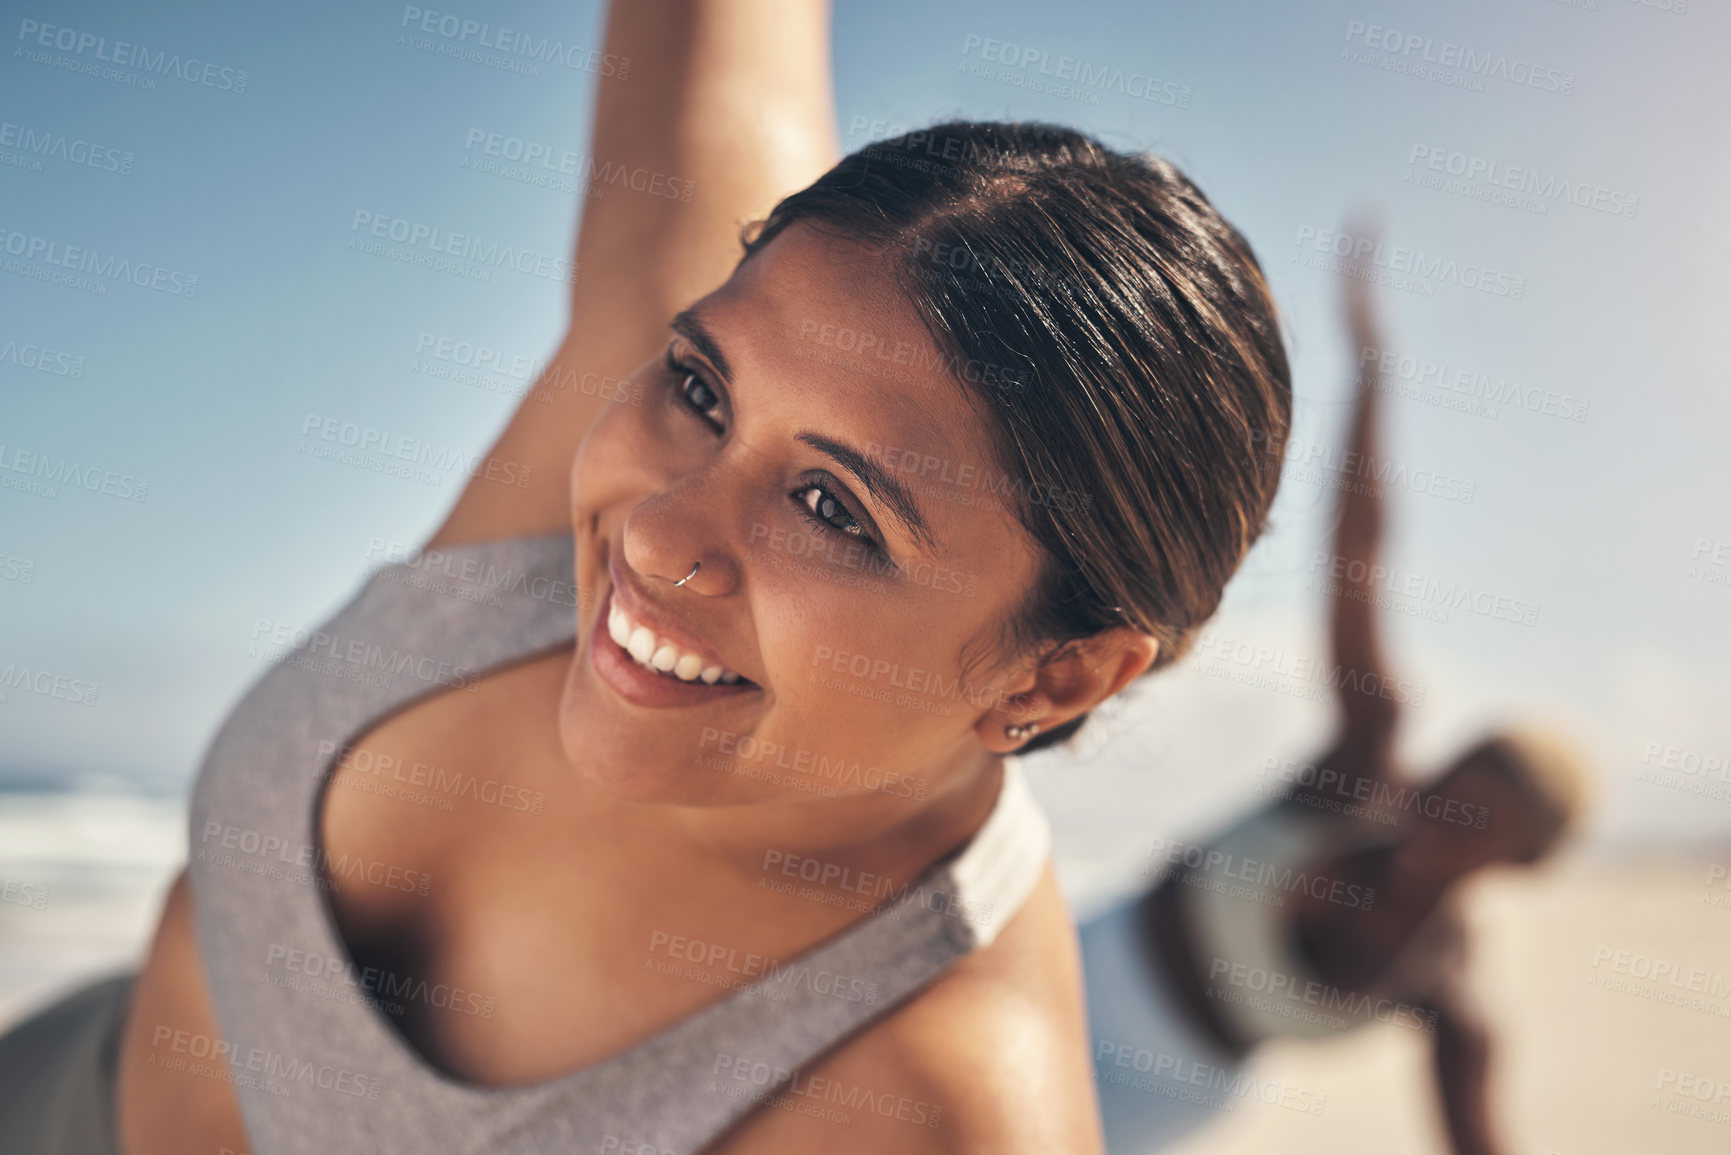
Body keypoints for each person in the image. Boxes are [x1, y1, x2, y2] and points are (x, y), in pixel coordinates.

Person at [0, 2, 1293, 1153]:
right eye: (698, 388)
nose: (663, 531)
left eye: (834, 509)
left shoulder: (930, 1103)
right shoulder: (675, 345)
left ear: (1058, 669)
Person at [1082, 269, 1589, 1155]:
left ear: (1518, 863)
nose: (1437, 821)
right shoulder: (1360, 764)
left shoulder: (1437, 977)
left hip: (1169, 1095)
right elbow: (1357, 559)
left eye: (1478, 828)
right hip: (1090, 961)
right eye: (1449, 789)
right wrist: (1372, 374)